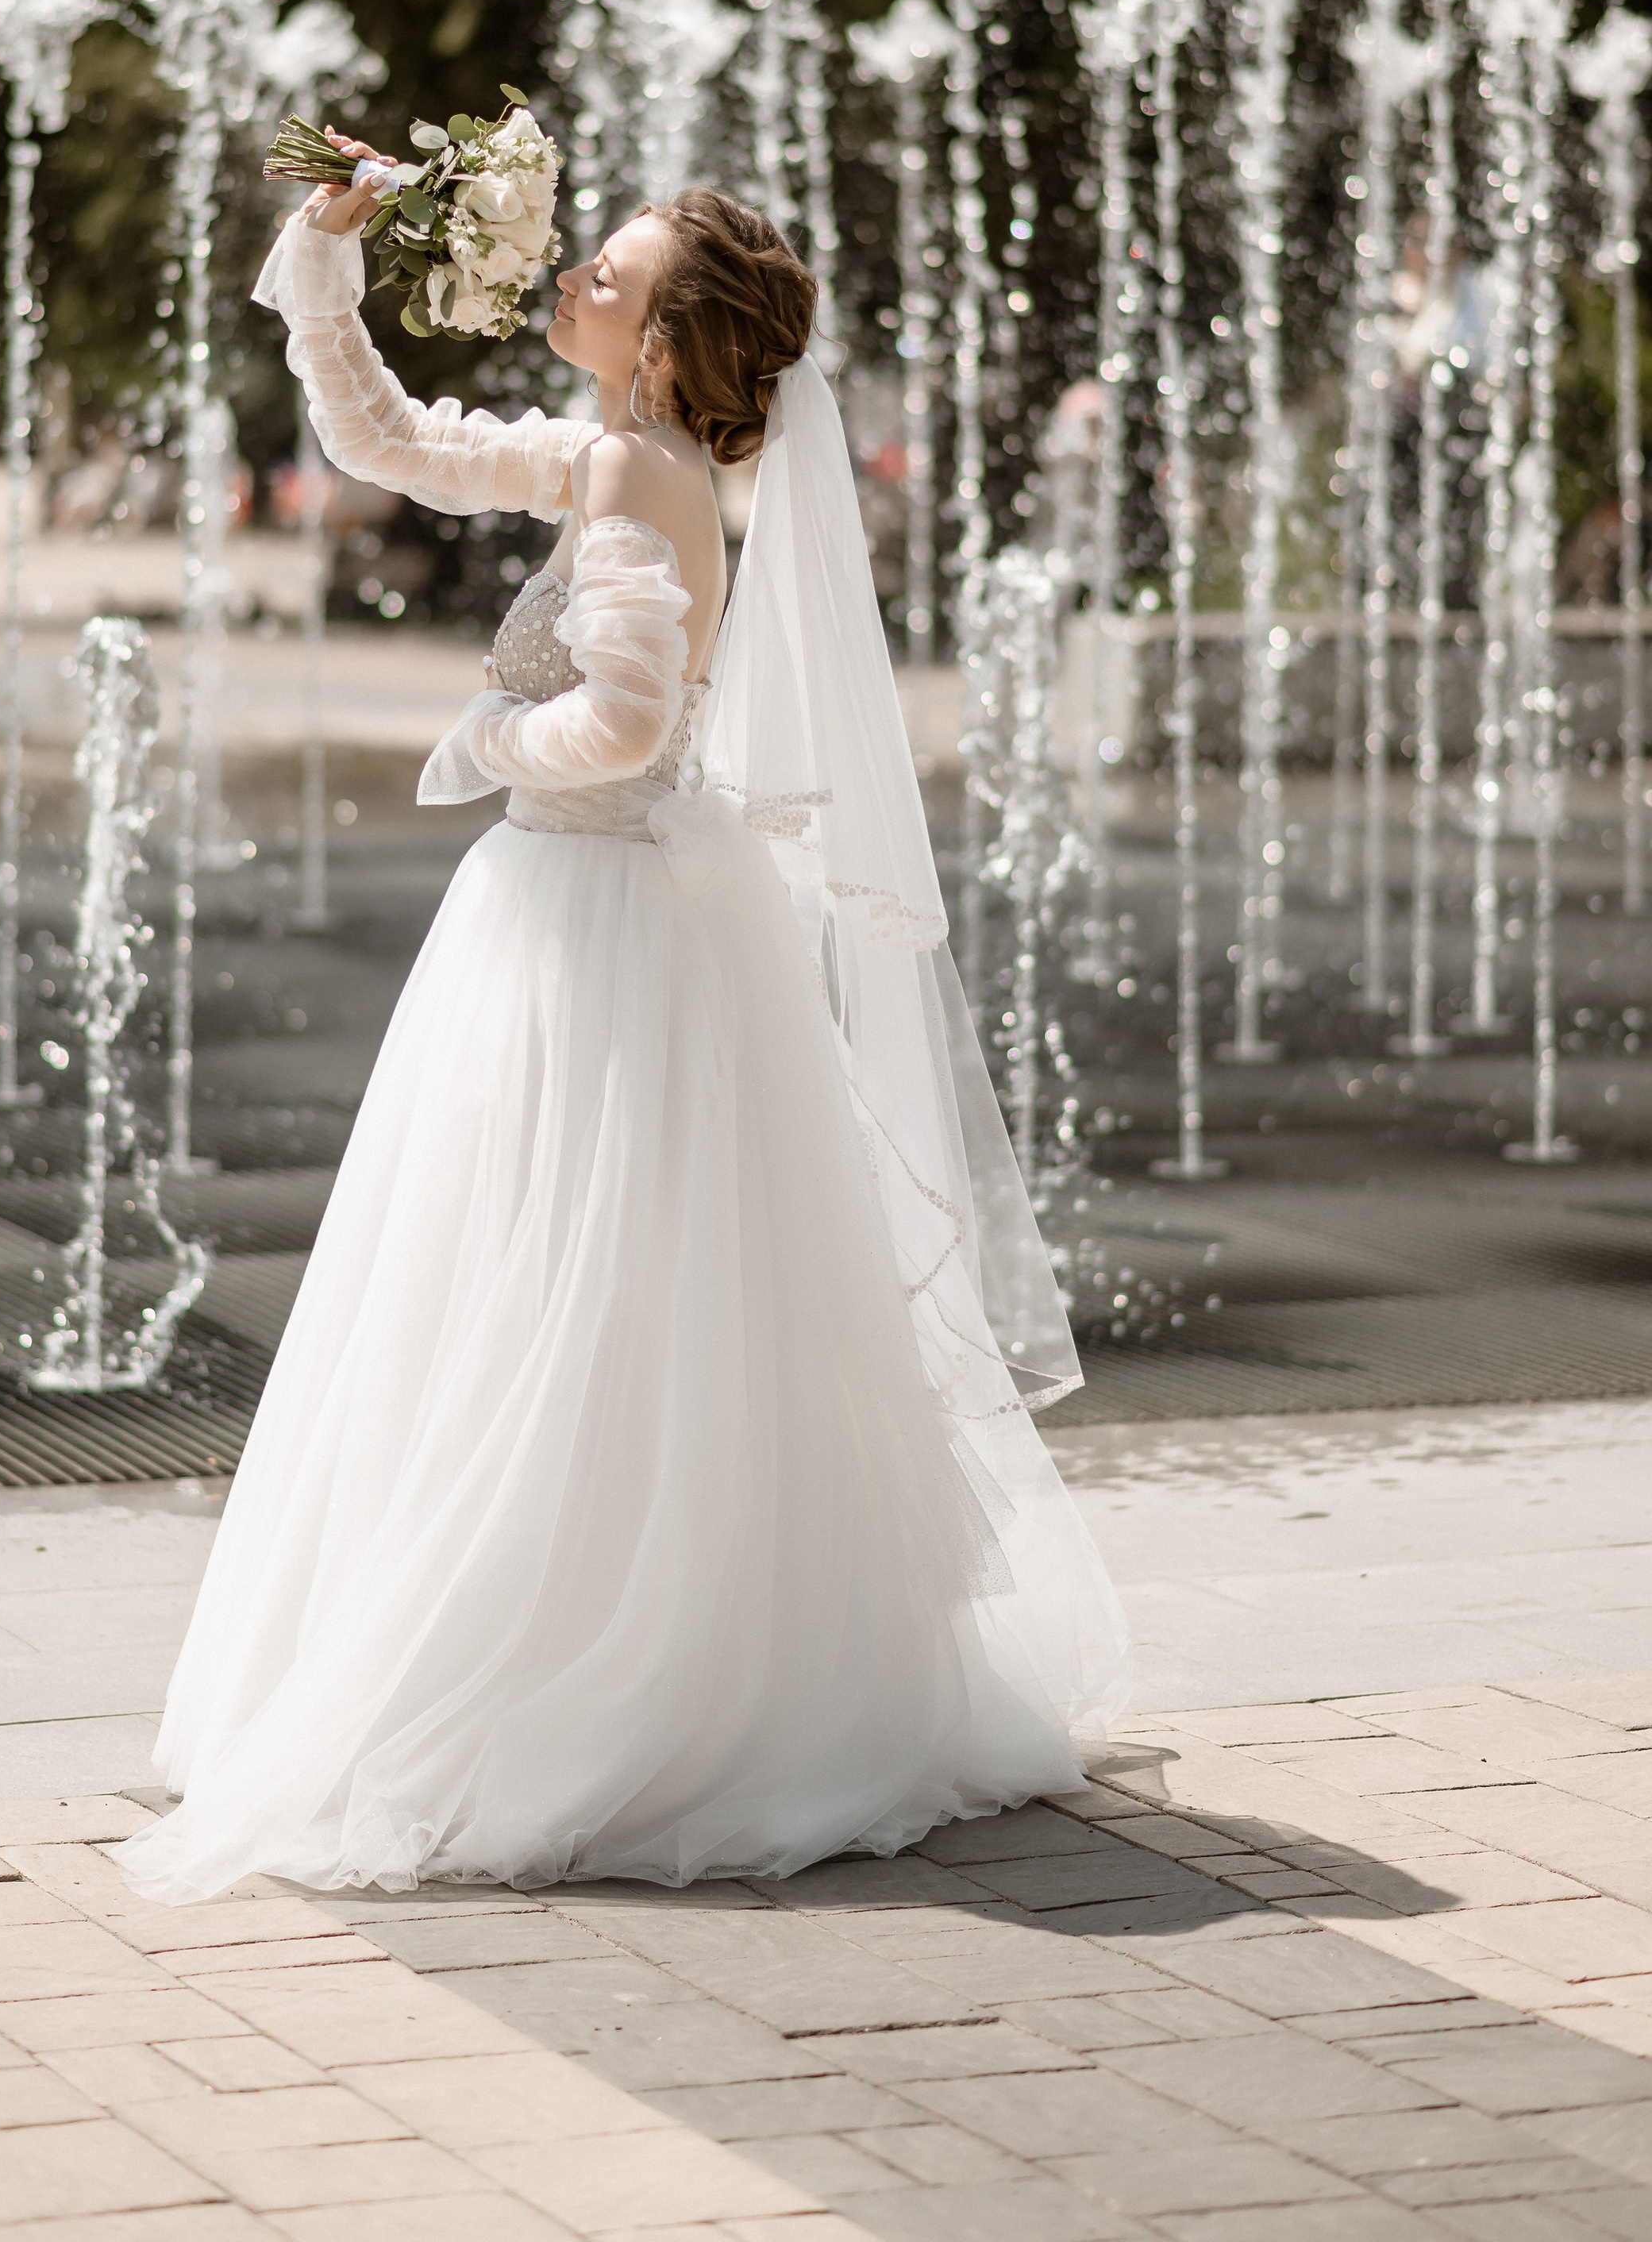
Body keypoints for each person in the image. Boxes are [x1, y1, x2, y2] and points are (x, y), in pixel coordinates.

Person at [118, 134, 1129, 1904]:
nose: (576, 273)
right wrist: (330, 257)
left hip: (600, 920)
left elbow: (625, 735)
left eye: (615, 270)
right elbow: (389, 445)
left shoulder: (642, 485)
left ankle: (606, 1676)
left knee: (583, 1290)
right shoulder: (610, 455)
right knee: (530, 1283)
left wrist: (475, 745)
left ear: (667, 339)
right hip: (566, 917)